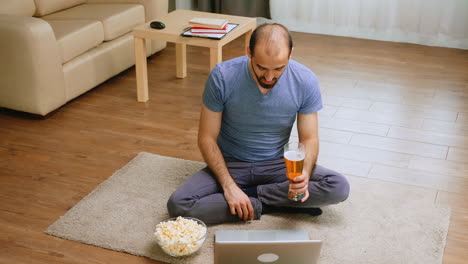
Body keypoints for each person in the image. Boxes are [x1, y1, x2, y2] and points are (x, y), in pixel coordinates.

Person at [167, 23, 350, 225]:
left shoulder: (305, 80)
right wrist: (228, 186)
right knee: (179, 205)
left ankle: (249, 198)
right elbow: (206, 138)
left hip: (277, 164)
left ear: (291, 54)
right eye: (261, 67)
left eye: (279, 68)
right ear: (249, 52)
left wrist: (304, 174)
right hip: (230, 163)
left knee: (338, 186)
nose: (269, 77)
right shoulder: (222, 76)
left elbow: (309, 138)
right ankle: (277, 203)